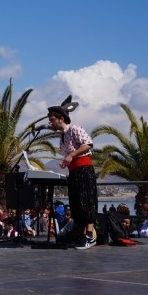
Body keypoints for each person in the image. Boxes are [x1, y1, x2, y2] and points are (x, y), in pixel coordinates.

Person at [47, 104, 99, 249]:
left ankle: (89, 235)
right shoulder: (62, 138)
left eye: (52, 120)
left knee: (87, 201)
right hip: (74, 171)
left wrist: (71, 155)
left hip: (84, 169)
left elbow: (88, 144)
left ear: (61, 118)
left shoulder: (74, 129)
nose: (50, 123)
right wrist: (66, 162)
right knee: (77, 204)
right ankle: (81, 235)